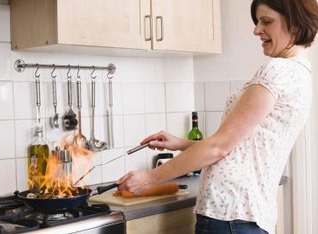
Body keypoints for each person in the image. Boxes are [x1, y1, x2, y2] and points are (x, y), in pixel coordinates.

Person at [117, 0, 318, 233]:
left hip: (230, 215)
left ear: (294, 23)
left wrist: (150, 178)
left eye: (267, 21)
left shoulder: (277, 71)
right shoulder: (300, 72)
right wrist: (182, 144)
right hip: (244, 216)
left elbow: (220, 147)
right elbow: (239, 148)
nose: (256, 30)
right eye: (257, 21)